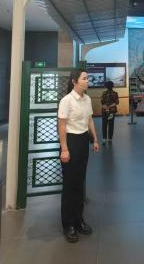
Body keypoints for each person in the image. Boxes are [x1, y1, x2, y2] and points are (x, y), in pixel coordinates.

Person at [57, 70, 100, 243]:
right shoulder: (66, 101)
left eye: (88, 78)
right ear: (75, 81)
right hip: (71, 142)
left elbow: (89, 120)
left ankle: (78, 220)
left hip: (83, 141)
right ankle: (68, 225)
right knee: (70, 184)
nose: (88, 80)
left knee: (80, 182)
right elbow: (62, 126)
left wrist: (95, 139)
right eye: (85, 78)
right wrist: (64, 149)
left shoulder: (87, 99)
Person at [101, 80, 119, 145]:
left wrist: (106, 107)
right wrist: (110, 106)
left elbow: (102, 102)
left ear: (106, 86)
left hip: (104, 111)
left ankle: (104, 139)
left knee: (104, 124)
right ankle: (110, 139)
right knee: (111, 124)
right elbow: (117, 102)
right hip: (112, 111)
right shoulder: (115, 93)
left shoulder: (104, 93)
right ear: (112, 86)